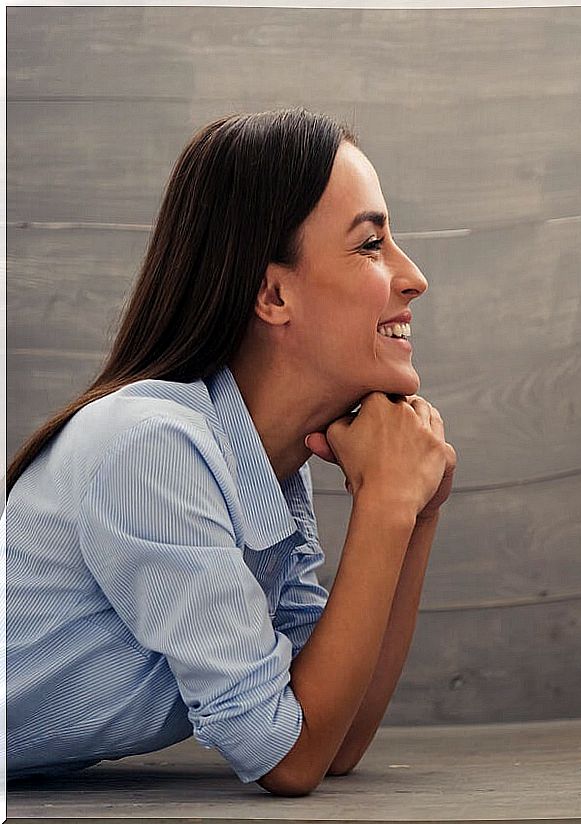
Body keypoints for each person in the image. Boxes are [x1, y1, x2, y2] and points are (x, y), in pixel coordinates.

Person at [5, 109, 456, 797]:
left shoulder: (268, 467)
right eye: (371, 245)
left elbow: (336, 733)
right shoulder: (150, 448)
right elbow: (289, 758)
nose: (413, 276)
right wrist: (389, 502)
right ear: (274, 294)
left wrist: (415, 509)